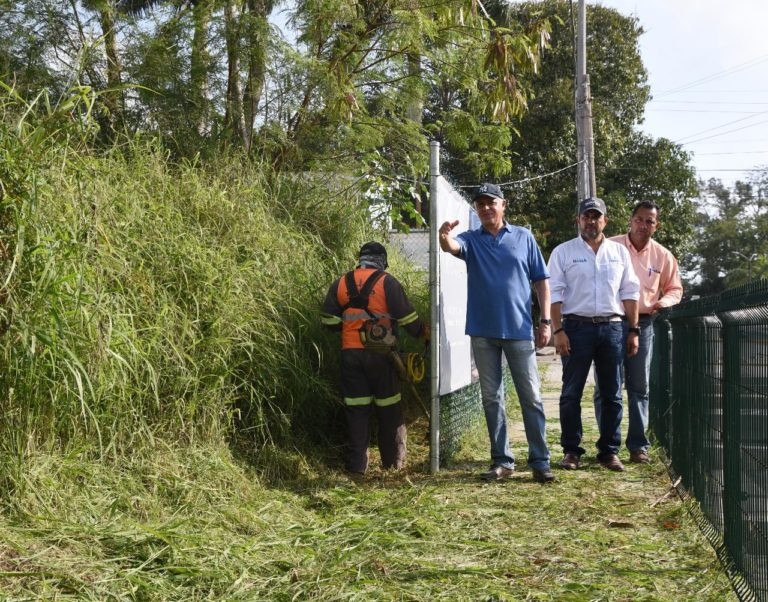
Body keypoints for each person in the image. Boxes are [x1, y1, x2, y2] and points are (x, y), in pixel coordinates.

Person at [439, 183, 555, 483]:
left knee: (531, 397)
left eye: (491, 202)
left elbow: (541, 281)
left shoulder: (524, 238)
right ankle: (502, 461)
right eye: (480, 204)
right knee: (492, 398)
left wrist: (545, 321)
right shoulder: (470, 240)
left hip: (519, 331)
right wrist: (444, 238)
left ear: (503, 205)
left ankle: (540, 462)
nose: (486, 208)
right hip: (482, 331)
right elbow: (453, 247)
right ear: (476, 210)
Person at [547, 197, 641, 472]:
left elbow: (630, 292)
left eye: (596, 216)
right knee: (571, 393)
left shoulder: (619, 253)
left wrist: (633, 330)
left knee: (612, 393)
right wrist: (558, 331)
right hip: (575, 328)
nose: (591, 221)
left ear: (605, 221)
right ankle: (571, 451)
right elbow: (554, 294)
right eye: (586, 216)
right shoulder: (563, 252)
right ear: (578, 220)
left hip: (612, 328)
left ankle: (609, 451)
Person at [320, 242, 428, 480]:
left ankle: (357, 467)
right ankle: (394, 464)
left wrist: (349, 327)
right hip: (382, 355)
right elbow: (408, 318)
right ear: (382, 260)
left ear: (360, 259)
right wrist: (422, 332)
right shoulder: (386, 282)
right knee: (389, 408)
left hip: (350, 355)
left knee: (357, 411)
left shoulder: (341, 282)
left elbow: (327, 321)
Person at [593, 201, 683, 464]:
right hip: (610, 322)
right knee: (606, 386)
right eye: (640, 220)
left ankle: (637, 446)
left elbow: (675, 288)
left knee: (639, 386)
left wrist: (661, 303)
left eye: (650, 221)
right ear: (630, 220)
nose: (644, 225)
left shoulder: (663, 256)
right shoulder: (610, 246)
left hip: (643, 323)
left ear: (657, 225)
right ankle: (609, 445)